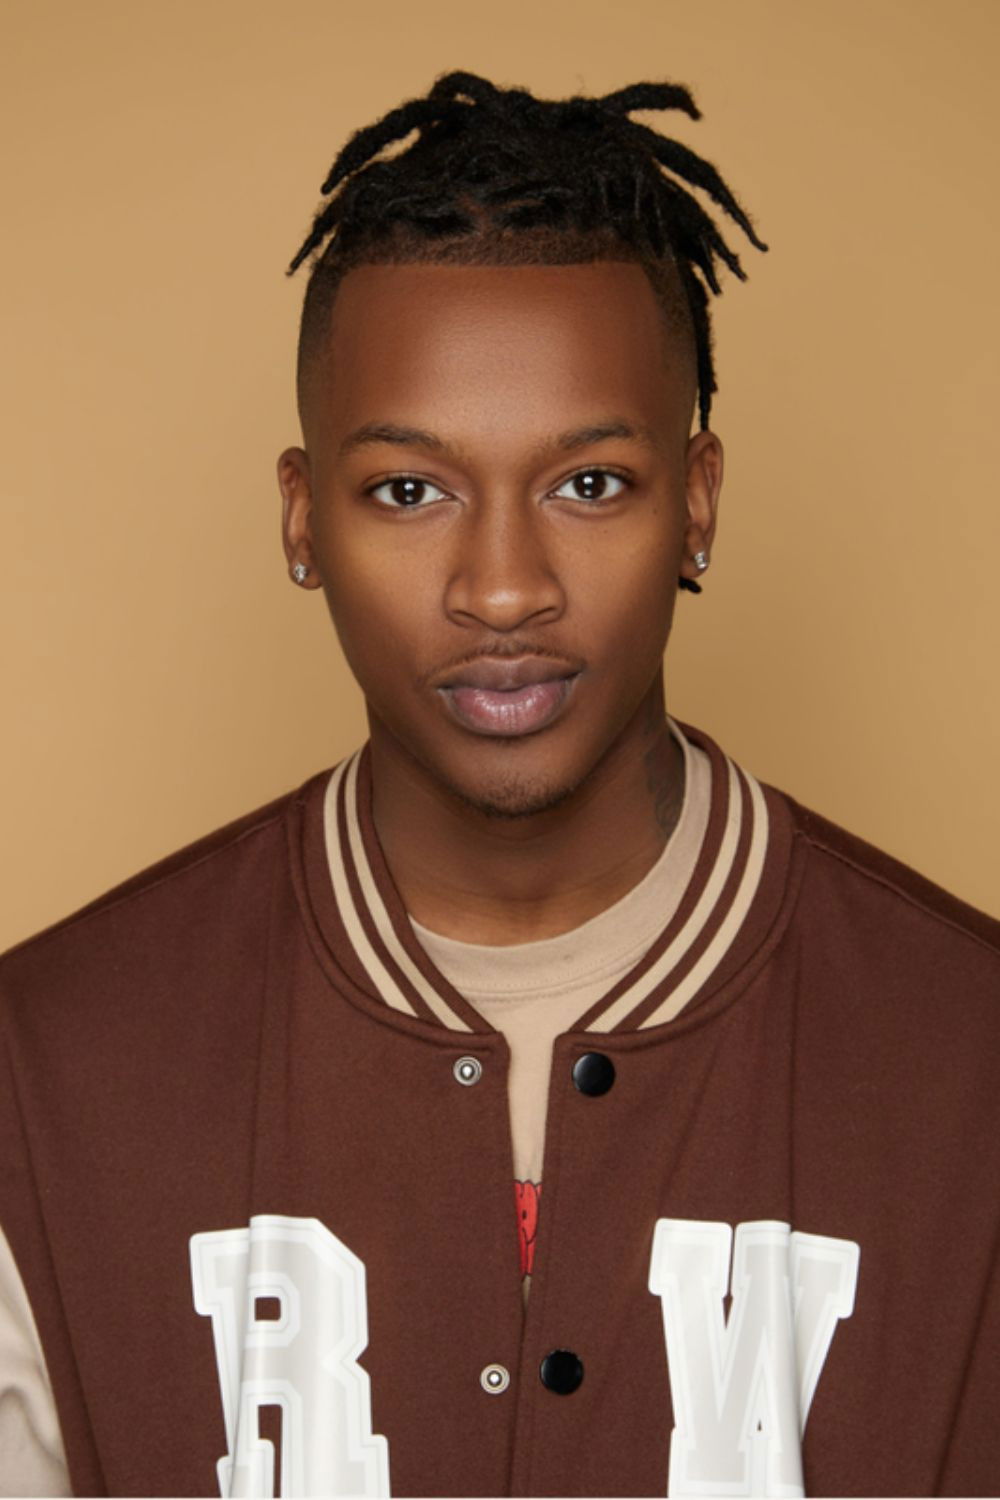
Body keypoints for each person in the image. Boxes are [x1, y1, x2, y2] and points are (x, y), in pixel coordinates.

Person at [1, 67, 998, 1500]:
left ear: (698, 502)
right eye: (410, 490)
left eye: (589, 483)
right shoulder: (43, 1077)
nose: (505, 586)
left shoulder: (968, 1064)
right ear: (303, 519)